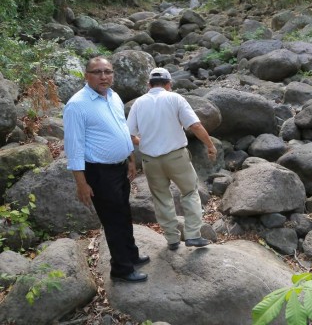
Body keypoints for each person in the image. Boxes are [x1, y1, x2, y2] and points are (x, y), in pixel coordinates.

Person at [63, 57, 149, 283]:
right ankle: (121, 269)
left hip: (119, 168)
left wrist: (130, 158)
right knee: (113, 219)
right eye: (97, 72)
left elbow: (123, 129)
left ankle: (131, 255)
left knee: (124, 212)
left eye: (108, 72)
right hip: (98, 173)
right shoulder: (77, 105)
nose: (104, 76)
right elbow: (74, 146)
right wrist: (81, 183)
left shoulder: (114, 96)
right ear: (86, 75)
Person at [127, 67, 218, 251]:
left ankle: (172, 239)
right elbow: (195, 125)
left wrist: (142, 143)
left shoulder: (138, 103)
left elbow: (128, 135)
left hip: (150, 160)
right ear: (169, 84)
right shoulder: (175, 98)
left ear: (148, 85)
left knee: (161, 198)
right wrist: (210, 145)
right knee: (190, 192)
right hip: (176, 156)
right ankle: (193, 234)